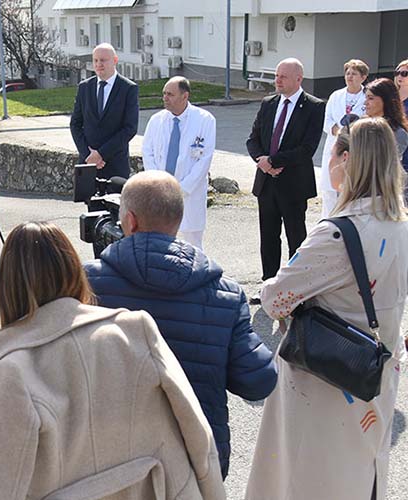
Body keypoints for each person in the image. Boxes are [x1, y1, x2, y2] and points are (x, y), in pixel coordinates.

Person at [0, 221, 226, 500]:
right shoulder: (135, 332)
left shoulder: (8, 374)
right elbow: (199, 437)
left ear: (8, 288)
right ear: (73, 269)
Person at [246, 117, 408, 500]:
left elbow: (274, 299)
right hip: (378, 371)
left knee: (313, 477)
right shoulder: (400, 226)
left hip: (325, 378)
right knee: (362, 470)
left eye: (332, 153)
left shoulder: (337, 232)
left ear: (347, 159)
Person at [84, 170, 277, 479]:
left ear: (130, 221)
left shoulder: (87, 284)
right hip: (195, 460)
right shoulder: (225, 294)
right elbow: (259, 381)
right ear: (177, 220)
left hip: (112, 462)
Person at [246, 57, 325, 299]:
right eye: (276, 75)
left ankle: (296, 290)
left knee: (296, 238)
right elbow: (253, 139)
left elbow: (307, 148)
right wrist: (263, 161)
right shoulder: (268, 103)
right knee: (268, 237)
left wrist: (274, 162)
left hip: (294, 185)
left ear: (298, 79)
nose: (277, 80)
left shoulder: (313, 106)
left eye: (283, 76)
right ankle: (268, 287)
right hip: (266, 183)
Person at [140, 77, 216, 248]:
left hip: (190, 192)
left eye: (170, 94)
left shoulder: (204, 120)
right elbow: (148, 152)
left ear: (184, 96)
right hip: (160, 191)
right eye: (164, 94)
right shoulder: (156, 120)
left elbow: (204, 160)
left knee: (192, 242)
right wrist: (158, 183)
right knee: (159, 239)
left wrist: (181, 190)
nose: (165, 98)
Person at [70, 43, 139, 180]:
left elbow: (130, 128)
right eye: (95, 60)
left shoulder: (128, 88)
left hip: (115, 165)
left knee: (115, 201)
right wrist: (88, 155)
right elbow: (75, 124)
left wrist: (101, 154)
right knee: (89, 202)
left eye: (103, 60)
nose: (98, 64)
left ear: (114, 60)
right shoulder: (85, 87)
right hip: (88, 163)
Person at [319, 59, 368, 218]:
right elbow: (327, 121)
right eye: (347, 73)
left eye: (354, 73)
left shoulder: (368, 97)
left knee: (351, 190)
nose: (350, 76)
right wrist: (339, 132)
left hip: (356, 148)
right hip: (335, 146)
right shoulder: (336, 96)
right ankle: (327, 223)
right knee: (330, 192)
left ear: (363, 77)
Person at [364, 78, 408, 163]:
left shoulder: (398, 133)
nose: (365, 103)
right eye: (366, 98)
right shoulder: (360, 127)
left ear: (386, 100)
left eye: (371, 98)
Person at [395, 59, 408, 175]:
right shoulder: (390, 96)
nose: (400, 76)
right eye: (397, 73)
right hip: (391, 142)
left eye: (404, 74)